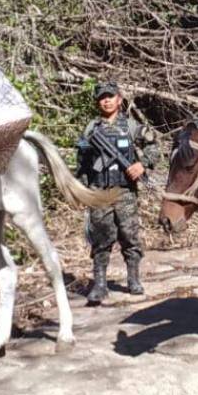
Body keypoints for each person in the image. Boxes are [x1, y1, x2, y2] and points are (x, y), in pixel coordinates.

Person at [76, 82, 160, 304]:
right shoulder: (91, 128)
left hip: (125, 191)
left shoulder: (131, 127)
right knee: (100, 238)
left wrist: (142, 165)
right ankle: (100, 285)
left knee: (129, 235)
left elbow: (154, 148)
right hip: (99, 191)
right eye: (102, 97)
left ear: (119, 100)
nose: (106, 101)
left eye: (110, 96)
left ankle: (133, 279)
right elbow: (82, 162)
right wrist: (83, 189)